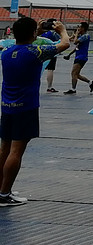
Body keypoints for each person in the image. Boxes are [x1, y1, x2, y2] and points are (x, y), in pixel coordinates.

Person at [1, 16, 70, 206]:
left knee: (4, 149)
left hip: (7, 106)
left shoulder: (7, 52)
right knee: (16, 151)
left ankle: (0, 189)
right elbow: (64, 44)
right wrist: (62, 30)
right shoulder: (36, 52)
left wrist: (35, 32)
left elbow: (25, 41)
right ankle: (4, 194)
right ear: (32, 33)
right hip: (26, 107)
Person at [62, 21, 93, 95]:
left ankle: (73, 89)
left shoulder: (85, 36)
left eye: (79, 27)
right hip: (78, 56)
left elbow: (75, 42)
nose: (78, 28)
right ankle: (90, 82)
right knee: (76, 74)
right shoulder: (82, 36)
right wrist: (69, 54)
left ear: (83, 28)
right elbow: (77, 47)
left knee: (73, 73)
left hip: (82, 57)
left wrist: (76, 34)